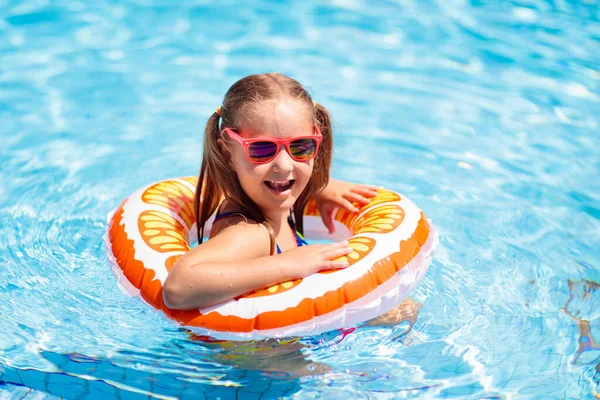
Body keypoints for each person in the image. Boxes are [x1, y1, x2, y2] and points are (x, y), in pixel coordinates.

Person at [162, 73, 378, 313]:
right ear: (227, 153)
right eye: (262, 149)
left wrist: (319, 187)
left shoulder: (268, 204)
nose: (284, 166)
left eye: (301, 147)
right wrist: (288, 264)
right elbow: (178, 288)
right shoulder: (251, 234)